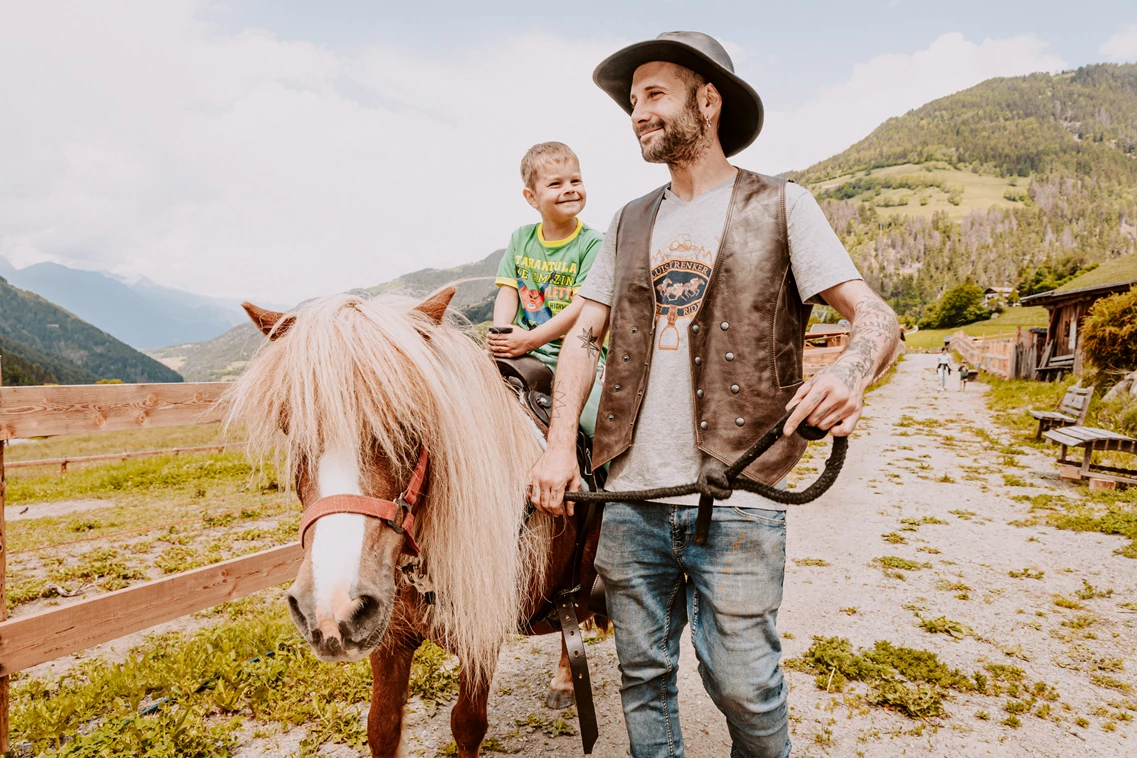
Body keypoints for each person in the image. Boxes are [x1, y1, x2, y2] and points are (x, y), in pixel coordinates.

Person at [526, 32, 900, 758]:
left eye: (653, 94)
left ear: (708, 99)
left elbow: (876, 317)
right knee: (641, 676)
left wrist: (846, 373)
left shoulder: (783, 205)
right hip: (628, 499)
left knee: (742, 685)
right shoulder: (628, 219)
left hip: (740, 496)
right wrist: (555, 449)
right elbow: (581, 337)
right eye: (631, 102)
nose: (637, 113)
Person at [487, 142, 606, 436]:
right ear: (532, 197)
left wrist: (530, 340)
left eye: (575, 180)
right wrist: (501, 335)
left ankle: (604, 476)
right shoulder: (521, 238)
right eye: (555, 183)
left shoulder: (591, 243)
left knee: (598, 423)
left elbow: (582, 306)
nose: (569, 189)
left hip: (573, 350)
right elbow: (509, 290)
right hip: (521, 345)